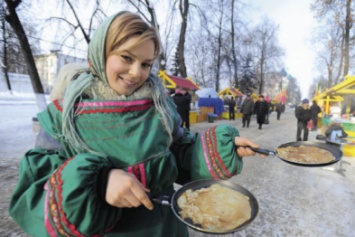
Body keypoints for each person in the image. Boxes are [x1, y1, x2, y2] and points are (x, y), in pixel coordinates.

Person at [9, 12, 264, 237]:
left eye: (145, 64)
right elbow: (34, 193)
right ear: (99, 53)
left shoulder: (159, 109)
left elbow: (179, 153)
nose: (135, 72)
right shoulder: (63, 116)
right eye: (126, 57)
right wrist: (99, 183)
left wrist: (220, 149)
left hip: (167, 230)